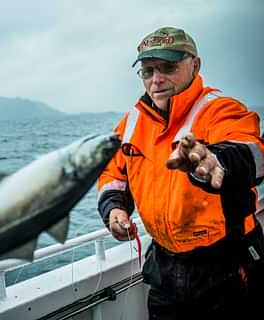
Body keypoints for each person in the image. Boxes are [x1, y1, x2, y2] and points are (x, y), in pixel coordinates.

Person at [97, 26, 264, 319]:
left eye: (168, 67)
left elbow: (251, 151)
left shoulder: (221, 110)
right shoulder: (131, 123)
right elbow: (113, 173)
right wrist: (114, 209)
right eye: (148, 71)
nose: (156, 79)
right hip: (164, 268)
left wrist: (216, 163)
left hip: (226, 267)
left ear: (194, 65)